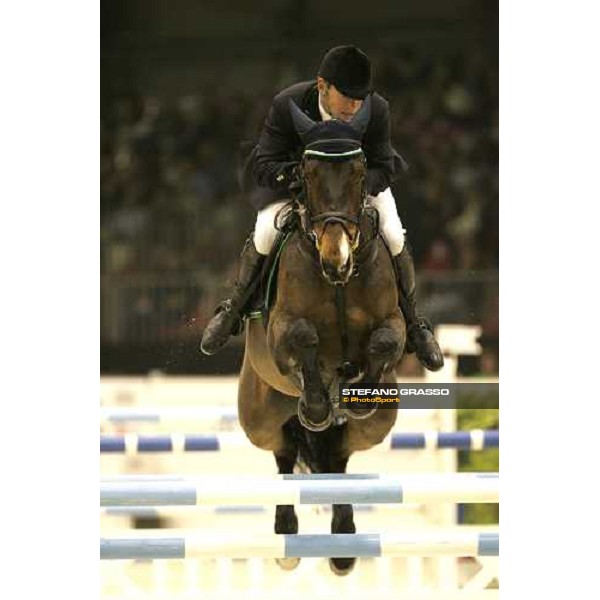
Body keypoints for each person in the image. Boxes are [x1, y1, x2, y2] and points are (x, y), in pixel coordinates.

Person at [201, 45, 443, 371]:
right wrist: (297, 179)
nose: (354, 107)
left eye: (360, 99)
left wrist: (353, 193)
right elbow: (263, 164)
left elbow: (384, 165)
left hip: (356, 190)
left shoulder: (377, 109)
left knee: (393, 233)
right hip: (297, 187)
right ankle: (234, 310)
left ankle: (415, 324)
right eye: (347, 97)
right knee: (265, 231)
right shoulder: (288, 104)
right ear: (322, 86)